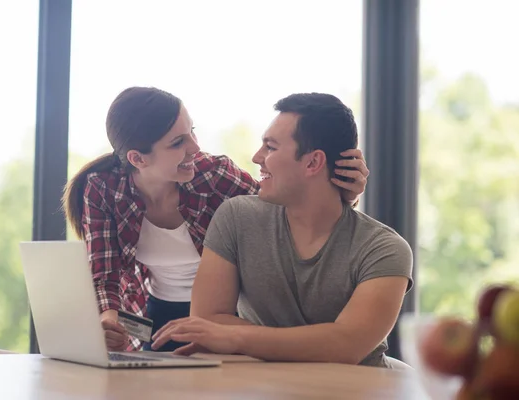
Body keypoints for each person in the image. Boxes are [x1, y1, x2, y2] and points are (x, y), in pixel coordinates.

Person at [63, 87, 370, 352]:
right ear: (138, 159)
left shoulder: (212, 175)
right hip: (152, 313)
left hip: (225, 315)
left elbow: (287, 207)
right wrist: (108, 317)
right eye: (177, 142)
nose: (195, 147)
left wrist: (343, 195)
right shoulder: (102, 189)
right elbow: (105, 270)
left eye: (191, 132)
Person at [150, 92, 413, 368]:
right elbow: (206, 325)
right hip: (263, 388)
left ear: (313, 163)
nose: (256, 157)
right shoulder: (237, 217)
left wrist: (236, 336)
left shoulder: (384, 249)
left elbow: (345, 346)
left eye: (271, 147)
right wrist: (315, 342)